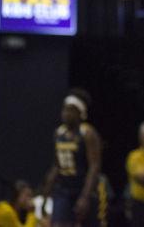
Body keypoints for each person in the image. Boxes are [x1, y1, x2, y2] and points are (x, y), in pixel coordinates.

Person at [42, 88, 103, 227]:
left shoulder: (87, 133)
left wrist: (85, 196)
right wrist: (46, 192)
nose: (65, 113)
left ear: (80, 113)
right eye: (64, 109)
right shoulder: (59, 133)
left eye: (70, 110)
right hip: (63, 189)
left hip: (84, 187)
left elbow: (94, 166)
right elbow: (56, 165)